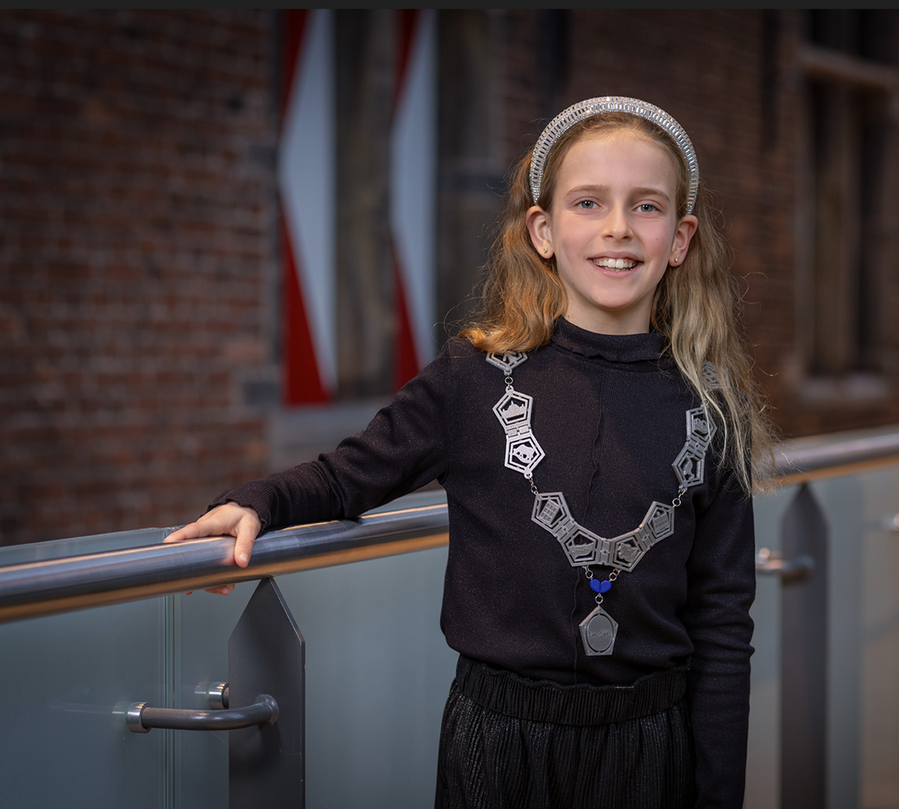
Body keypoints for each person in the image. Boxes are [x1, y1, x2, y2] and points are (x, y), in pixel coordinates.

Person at [165, 96, 776, 808]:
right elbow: (348, 474)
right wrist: (256, 502)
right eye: (587, 203)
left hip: (649, 747)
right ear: (542, 231)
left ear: (679, 237)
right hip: (494, 743)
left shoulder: (712, 410)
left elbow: (723, 626)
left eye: (646, 207)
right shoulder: (472, 378)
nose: (617, 227)